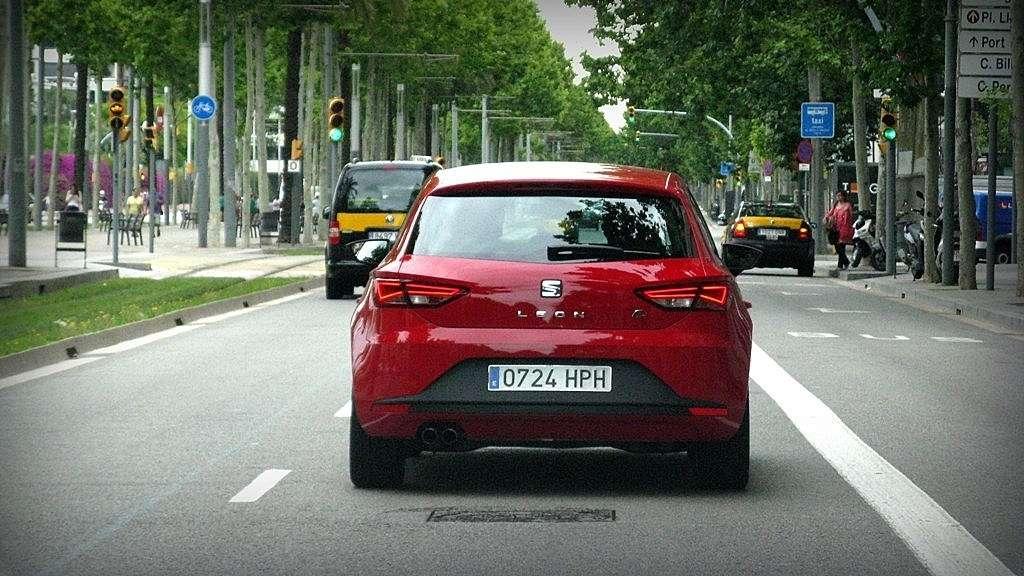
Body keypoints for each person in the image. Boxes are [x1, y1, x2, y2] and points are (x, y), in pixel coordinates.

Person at [825, 191, 854, 270]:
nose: (838, 197)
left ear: (844, 196)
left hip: (845, 228)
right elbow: (830, 213)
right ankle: (846, 262)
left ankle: (840, 265)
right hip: (836, 228)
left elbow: (851, 216)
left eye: (840, 196)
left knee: (841, 246)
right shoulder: (836, 205)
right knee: (838, 247)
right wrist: (826, 218)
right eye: (837, 196)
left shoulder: (848, 205)